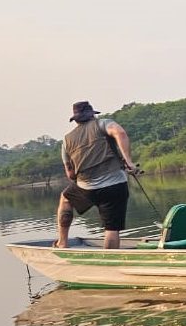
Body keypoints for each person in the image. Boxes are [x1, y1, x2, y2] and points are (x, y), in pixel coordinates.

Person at [56, 101, 136, 249]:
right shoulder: (103, 124)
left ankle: (62, 242)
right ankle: (111, 262)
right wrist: (128, 161)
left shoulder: (66, 141)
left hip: (87, 187)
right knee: (111, 229)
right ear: (92, 114)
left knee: (66, 199)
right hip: (115, 186)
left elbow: (70, 174)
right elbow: (120, 133)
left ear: (76, 119)